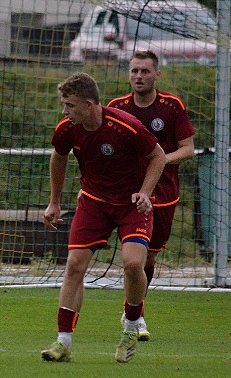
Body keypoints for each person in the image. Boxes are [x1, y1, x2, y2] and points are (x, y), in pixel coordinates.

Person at [41, 72, 166, 363]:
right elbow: (59, 157)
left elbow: (158, 156)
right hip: (94, 203)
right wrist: (55, 202)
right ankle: (63, 343)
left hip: (131, 204)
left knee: (134, 263)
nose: (65, 111)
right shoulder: (67, 129)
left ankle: (131, 327)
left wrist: (145, 193)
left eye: (69, 105)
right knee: (74, 265)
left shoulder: (126, 126)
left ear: (88, 104)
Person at [107, 50, 195, 341]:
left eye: (145, 71)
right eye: (134, 71)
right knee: (133, 257)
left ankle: (133, 310)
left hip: (164, 192)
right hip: (130, 194)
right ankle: (136, 314)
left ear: (157, 75)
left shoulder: (172, 106)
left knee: (150, 257)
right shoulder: (116, 107)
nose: (139, 77)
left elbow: (188, 149)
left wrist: (159, 161)